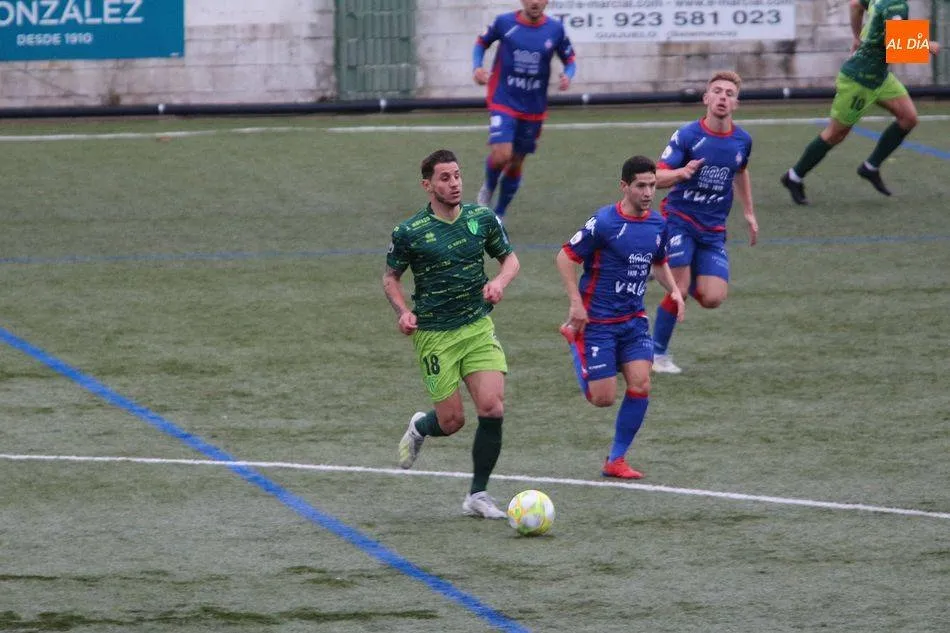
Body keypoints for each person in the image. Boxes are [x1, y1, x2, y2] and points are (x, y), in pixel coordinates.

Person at [383, 149, 521, 519]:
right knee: (452, 422)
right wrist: (404, 312)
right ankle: (420, 427)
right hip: (435, 336)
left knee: (492, 407)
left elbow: (510, 259)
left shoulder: (482, 218)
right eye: (445, 178)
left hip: (477, 326)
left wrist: (500, 282)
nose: (455, 183)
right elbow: (390, 278)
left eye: (457, 175)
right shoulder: (410, 232)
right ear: (428, 185)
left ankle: (478, 494)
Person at [555, 155, 685, 479]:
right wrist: (575, 304)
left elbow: (658, 261)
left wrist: (675, 291)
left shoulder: (658, 224)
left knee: (641, 384)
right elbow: (565, 257)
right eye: (641, 185)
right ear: (624, 186)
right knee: (602, 398)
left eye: (653, 185)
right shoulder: (604, 222)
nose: (648, 192)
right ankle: (574, 339)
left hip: (633, 320)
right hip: (597, 323)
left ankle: (616, 459)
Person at [650, 70, 758, 374]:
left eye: (730, 94)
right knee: (679, 290)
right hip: (679, 220)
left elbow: (740, 171)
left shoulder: (742, 140)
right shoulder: (687, 135)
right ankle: (658, 355)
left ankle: (657, 265)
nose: (723, 97)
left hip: (712, 230)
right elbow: (656, 177)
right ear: (706, 99)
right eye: (718, 92)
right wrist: (680, 174)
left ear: (736, 103)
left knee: (713, 298)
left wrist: (748, 211)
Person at [781, 0, 941, 205]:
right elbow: (896, 40)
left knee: (908, 118)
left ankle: (870, 167)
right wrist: (928, 45)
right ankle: (793, 177)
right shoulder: (896, 5)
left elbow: (855, 5)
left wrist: (857, 37)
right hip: (859, 79)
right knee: (835, 134)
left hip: (880, 77)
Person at [472, 0, 576, 219]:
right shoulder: (504, 22)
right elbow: (481, 43)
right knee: (502, 155)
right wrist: (477, 67)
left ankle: (499, 213)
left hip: (533, 108)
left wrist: (568, 75)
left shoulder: (555, 29)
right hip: (504, 100)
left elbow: (570, 59)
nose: (535, 2)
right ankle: (487, 190)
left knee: (516, 161)